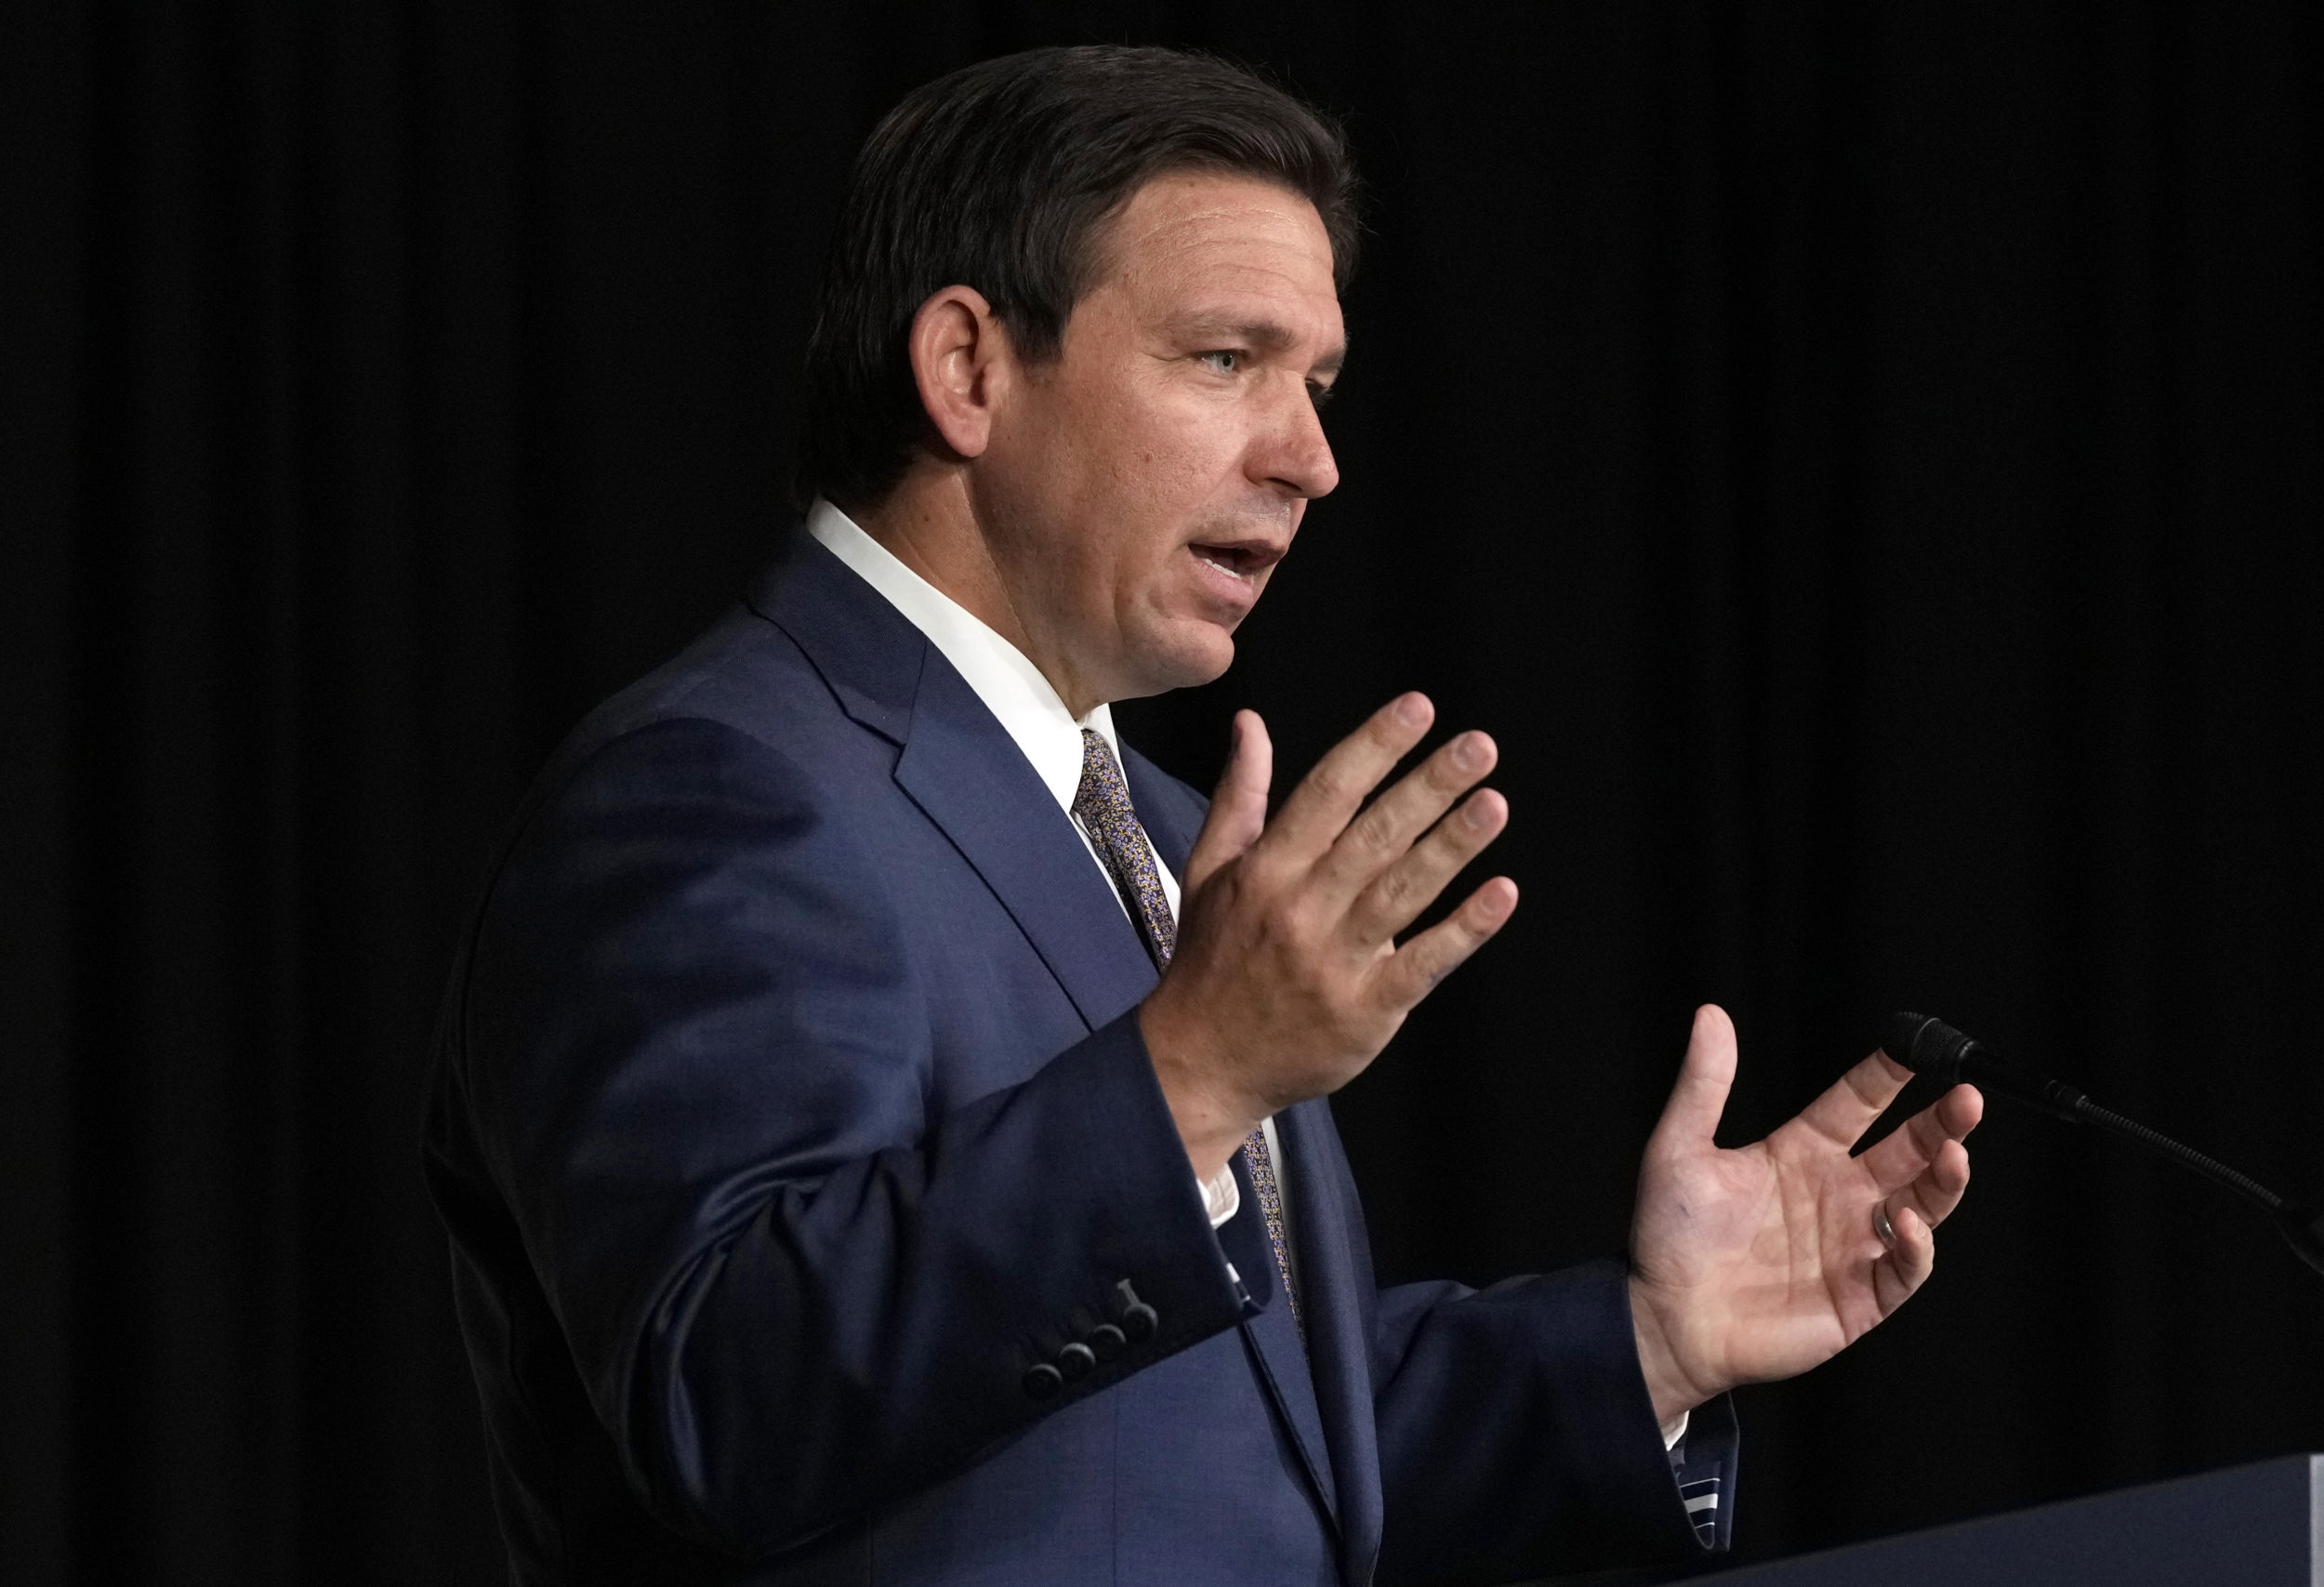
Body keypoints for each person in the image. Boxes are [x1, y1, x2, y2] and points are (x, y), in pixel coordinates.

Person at [422, 44, 1983, 1587]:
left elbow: (1227, 1462)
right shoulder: (715, 791)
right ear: (968, 368)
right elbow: (729, 1393)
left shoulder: (1159, 826)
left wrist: (1648, 1346)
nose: (1311, 459)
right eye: (1226, 359)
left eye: (1317, 383)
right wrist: (1190, 1075)